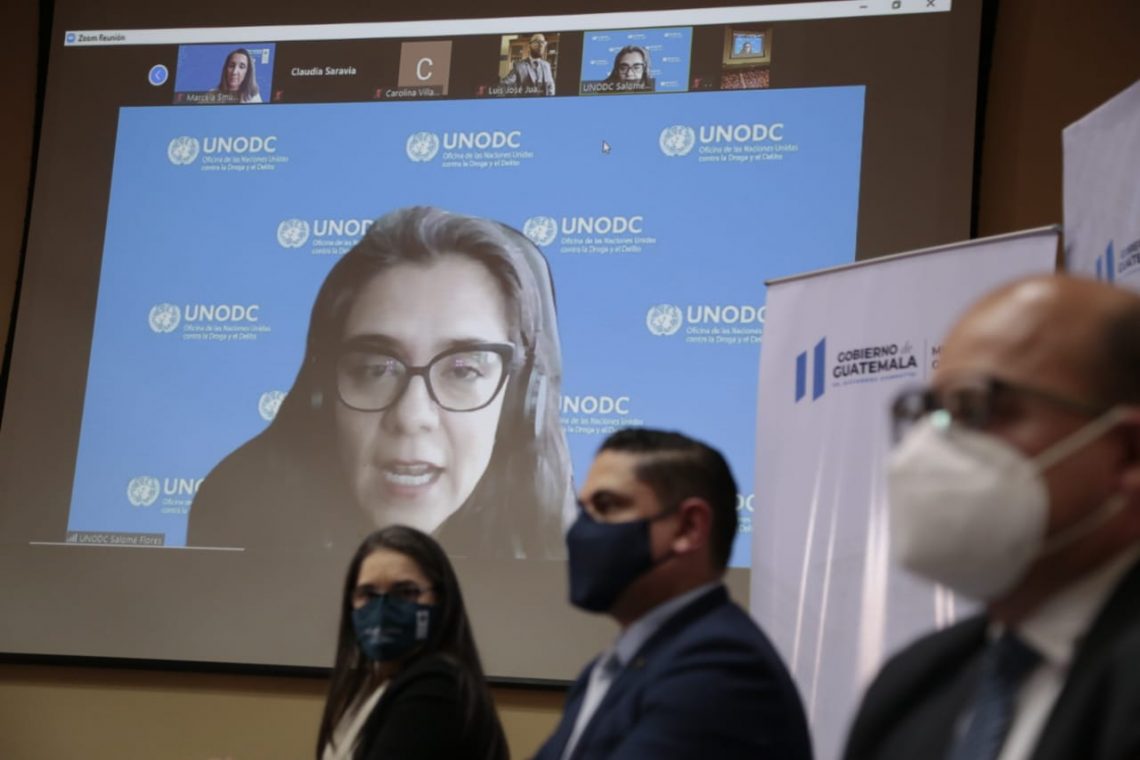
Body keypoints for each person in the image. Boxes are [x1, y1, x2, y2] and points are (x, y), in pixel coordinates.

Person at [843, 275, 1140, 760]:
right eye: (927, 412)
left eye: (974, 408)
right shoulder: (912, 688)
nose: (930, 448)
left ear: (1128, 453)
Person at [189, 206, 573, 560]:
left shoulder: (572, 563)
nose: (411, 416)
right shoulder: (236, 527)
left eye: (462, 370)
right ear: (322, 395)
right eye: (376, 369)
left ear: (522, 403)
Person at [534, 428, 813, 760]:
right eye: (583, 510)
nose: (581, 529)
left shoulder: (722, 668)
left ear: (689, 527)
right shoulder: (610, 667)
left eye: (607, 505)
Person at [316, 525, 509, 760]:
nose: (382, 609)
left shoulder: (436, 686)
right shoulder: (369, 686)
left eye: (406, 592)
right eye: (368, 594)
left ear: (441, 600)